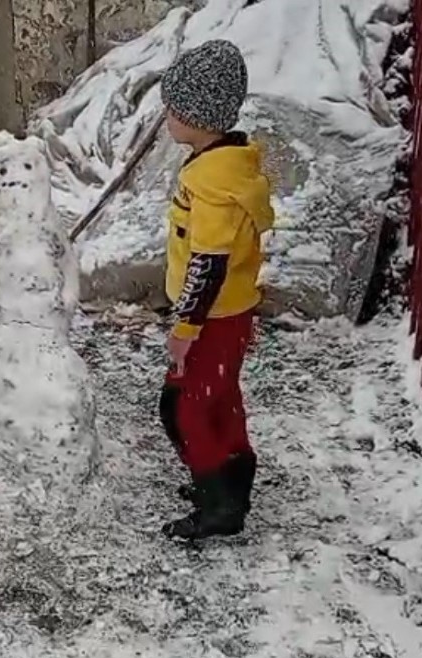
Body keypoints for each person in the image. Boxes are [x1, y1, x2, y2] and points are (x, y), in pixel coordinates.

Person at [157, 39, 276, 540]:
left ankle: (218, 504)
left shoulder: (211, 183)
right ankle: (233, 478)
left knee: (182, 410)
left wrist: (185, 329)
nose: (166, 114)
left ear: (199, 117)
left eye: (174, 107)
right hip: (233, 314)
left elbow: (208, 263)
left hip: (210, 318)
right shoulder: (231, 163)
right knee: (220, 397)